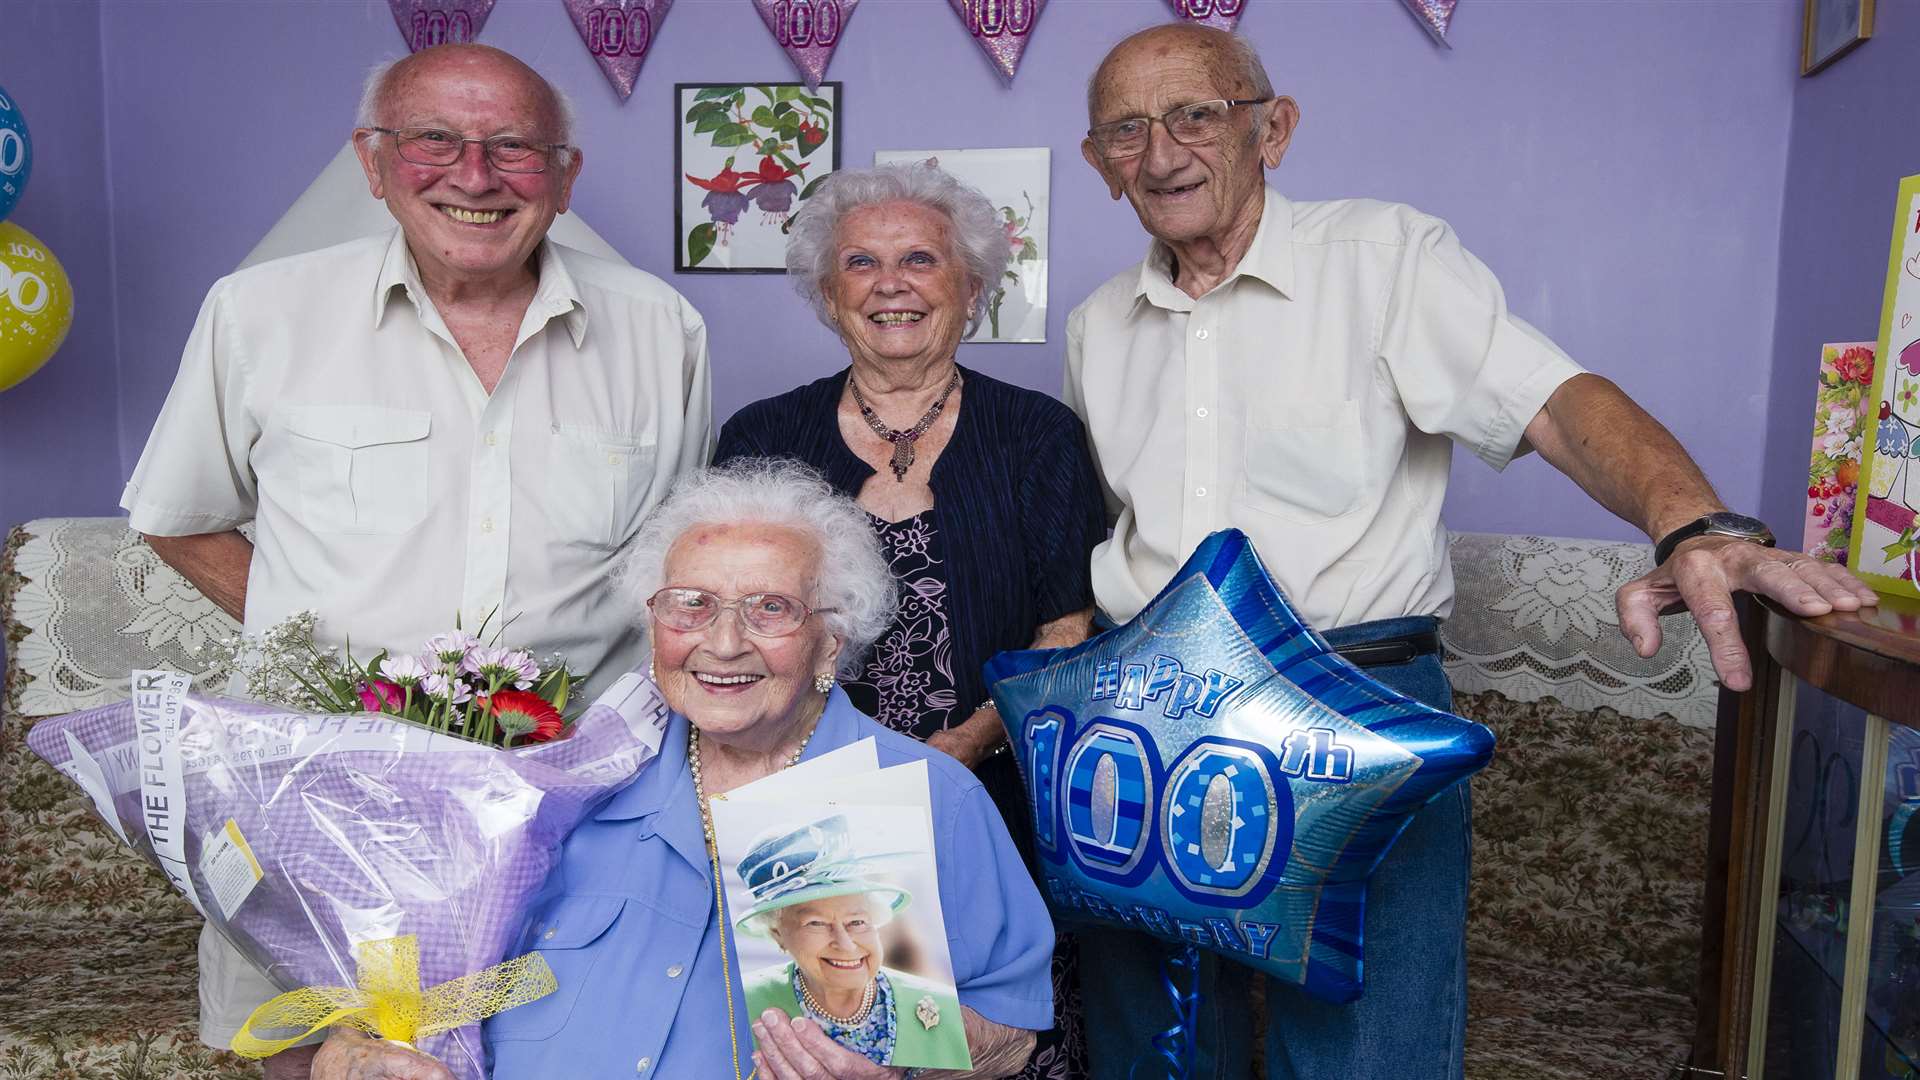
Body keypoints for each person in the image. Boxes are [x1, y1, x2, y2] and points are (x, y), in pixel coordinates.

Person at [1064, 23, 1879, 1080]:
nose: (1162, 150)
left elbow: (1554, 401)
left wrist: (1693, 523)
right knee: (1158, 1055)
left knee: (1375, 1056)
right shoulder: (1095, 328)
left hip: (1356, 710)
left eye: (1197, 114)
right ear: (1099, 163)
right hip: (1151, 724)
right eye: (1126, 128)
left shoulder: (1389, 258)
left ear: (1275, 128)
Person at [120, 44, 712, 1078]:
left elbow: (678, 564)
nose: (473, 176)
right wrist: (315, 653)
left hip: (566, 816)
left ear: (566, 175)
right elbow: (177, 516)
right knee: (320, 1064)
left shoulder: (663, 332)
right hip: (313, 810)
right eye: (435, 138)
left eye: (513, 148)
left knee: (560, 1051)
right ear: (374, 161)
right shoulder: (259, 312)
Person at [311, 458, 1053, 1079]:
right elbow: (432, 984)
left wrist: (902, 1065)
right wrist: (358, 1050)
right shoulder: (562, 785)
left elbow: (1013, 1035)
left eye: (769, 609)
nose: (722, 642)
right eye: (689, 605)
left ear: (832, 643)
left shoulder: (926, 797)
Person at [714, 162, 1107, 1078]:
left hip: (994, 801)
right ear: (827, 291)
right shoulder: (761, 435)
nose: (891, 284)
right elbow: (730, 624)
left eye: (921, 260)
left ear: (970, 289)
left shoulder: (1036, 434)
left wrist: (962, 751)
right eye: (860, 263)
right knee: (827, 1045)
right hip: (804, 811)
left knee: (983, 1042)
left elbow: (1067, 634)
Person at [736, 815, 971, 1070]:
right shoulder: (739, 1004)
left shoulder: (944, 1006)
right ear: (777, 934)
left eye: (857, 922)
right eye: (816, 923)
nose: (846, 945)